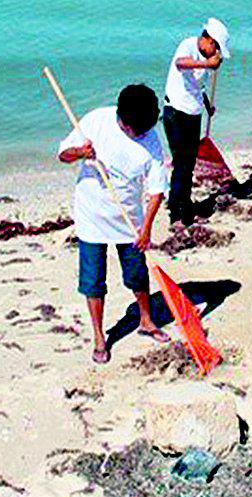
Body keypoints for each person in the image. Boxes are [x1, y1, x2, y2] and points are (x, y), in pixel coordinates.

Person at [58, 83, 172, 365]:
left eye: (146, 128)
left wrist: (146, 229)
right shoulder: (97, 120)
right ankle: (99, 337)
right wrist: (80, 153)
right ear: (122, 120)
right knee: (93, 280)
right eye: (136, 129)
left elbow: (157, 190)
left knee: (136, 273)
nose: (142, 134)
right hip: (91, 216)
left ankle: (146, 320)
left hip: (128, 219)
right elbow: (62, 155)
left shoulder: (151, 139)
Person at [162, 17, 231, 227]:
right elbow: (180, 64)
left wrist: (208, 105)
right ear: (208, 40)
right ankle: (176, 212)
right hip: (175, 112)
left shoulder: (208, 60)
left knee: (189, 163)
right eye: (217, 48)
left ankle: (183, 202)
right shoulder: (188, 45)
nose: (217, 54)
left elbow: (198, 87)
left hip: (194, 113)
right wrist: (206, 64)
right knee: (181, 163)